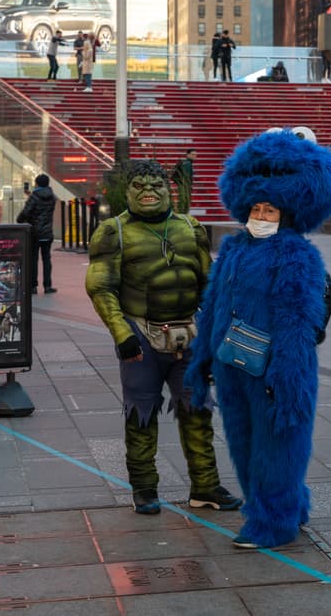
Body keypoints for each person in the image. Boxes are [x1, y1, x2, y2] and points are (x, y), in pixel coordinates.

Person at [186, 130, 331, 548]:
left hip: (276, 368)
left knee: (276, 449)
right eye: (255, 208)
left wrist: (288, 378)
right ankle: (289, 506)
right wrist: (201, 361)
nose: (261, 215)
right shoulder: (235, 248)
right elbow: (213, 306)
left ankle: (273, 523)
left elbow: (297, 321)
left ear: (287, 212)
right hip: (233, 362)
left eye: (269, 209)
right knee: (242, 443)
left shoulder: (296, 254)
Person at [86, 161, 241, 516]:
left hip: (190, 333)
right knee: (141, 413)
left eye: (155, 186)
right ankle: (144, 488)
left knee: (197, 410)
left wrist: (215, 333)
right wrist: (122, 332)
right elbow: (100, 286)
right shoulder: (114, 232)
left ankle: (205, 486)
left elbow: (209, 284)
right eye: (139, 186)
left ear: (167, 190)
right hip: (140, 335)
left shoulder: (191, 228)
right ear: (127, 192)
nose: (148, 192)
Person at [17, 174, 57, 294]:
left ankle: (33, 286)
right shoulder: (52, 197)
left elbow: (26, 212)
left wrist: (20, 219)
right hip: (47, 232)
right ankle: (48, 286)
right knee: (47, 259)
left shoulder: (34, 197)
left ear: (37, 183)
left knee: (33, 259)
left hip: (34, 232)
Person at [171, 149, 196, 214]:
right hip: (184, 186)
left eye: (195, 155)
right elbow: (186, 177)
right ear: (187, 155)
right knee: (184, 202)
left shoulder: (185, 163)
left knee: (183, 201)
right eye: (192, 154)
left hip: (182, 185)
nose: (194, 156)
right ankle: (182, 216)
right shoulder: (187, 164)